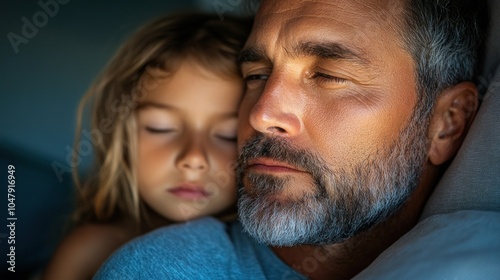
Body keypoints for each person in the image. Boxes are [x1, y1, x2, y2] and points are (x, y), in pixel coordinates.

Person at [94, 0, 490, 279]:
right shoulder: (161, 271)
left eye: (328, 75)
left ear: (446, 123)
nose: (260, 114)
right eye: (257, 75)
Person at [42, 13, 252, 280]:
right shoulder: (89, 250)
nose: (194, 158)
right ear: (121, 134)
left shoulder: (271, 252)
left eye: (228, 135)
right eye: (160, 128)